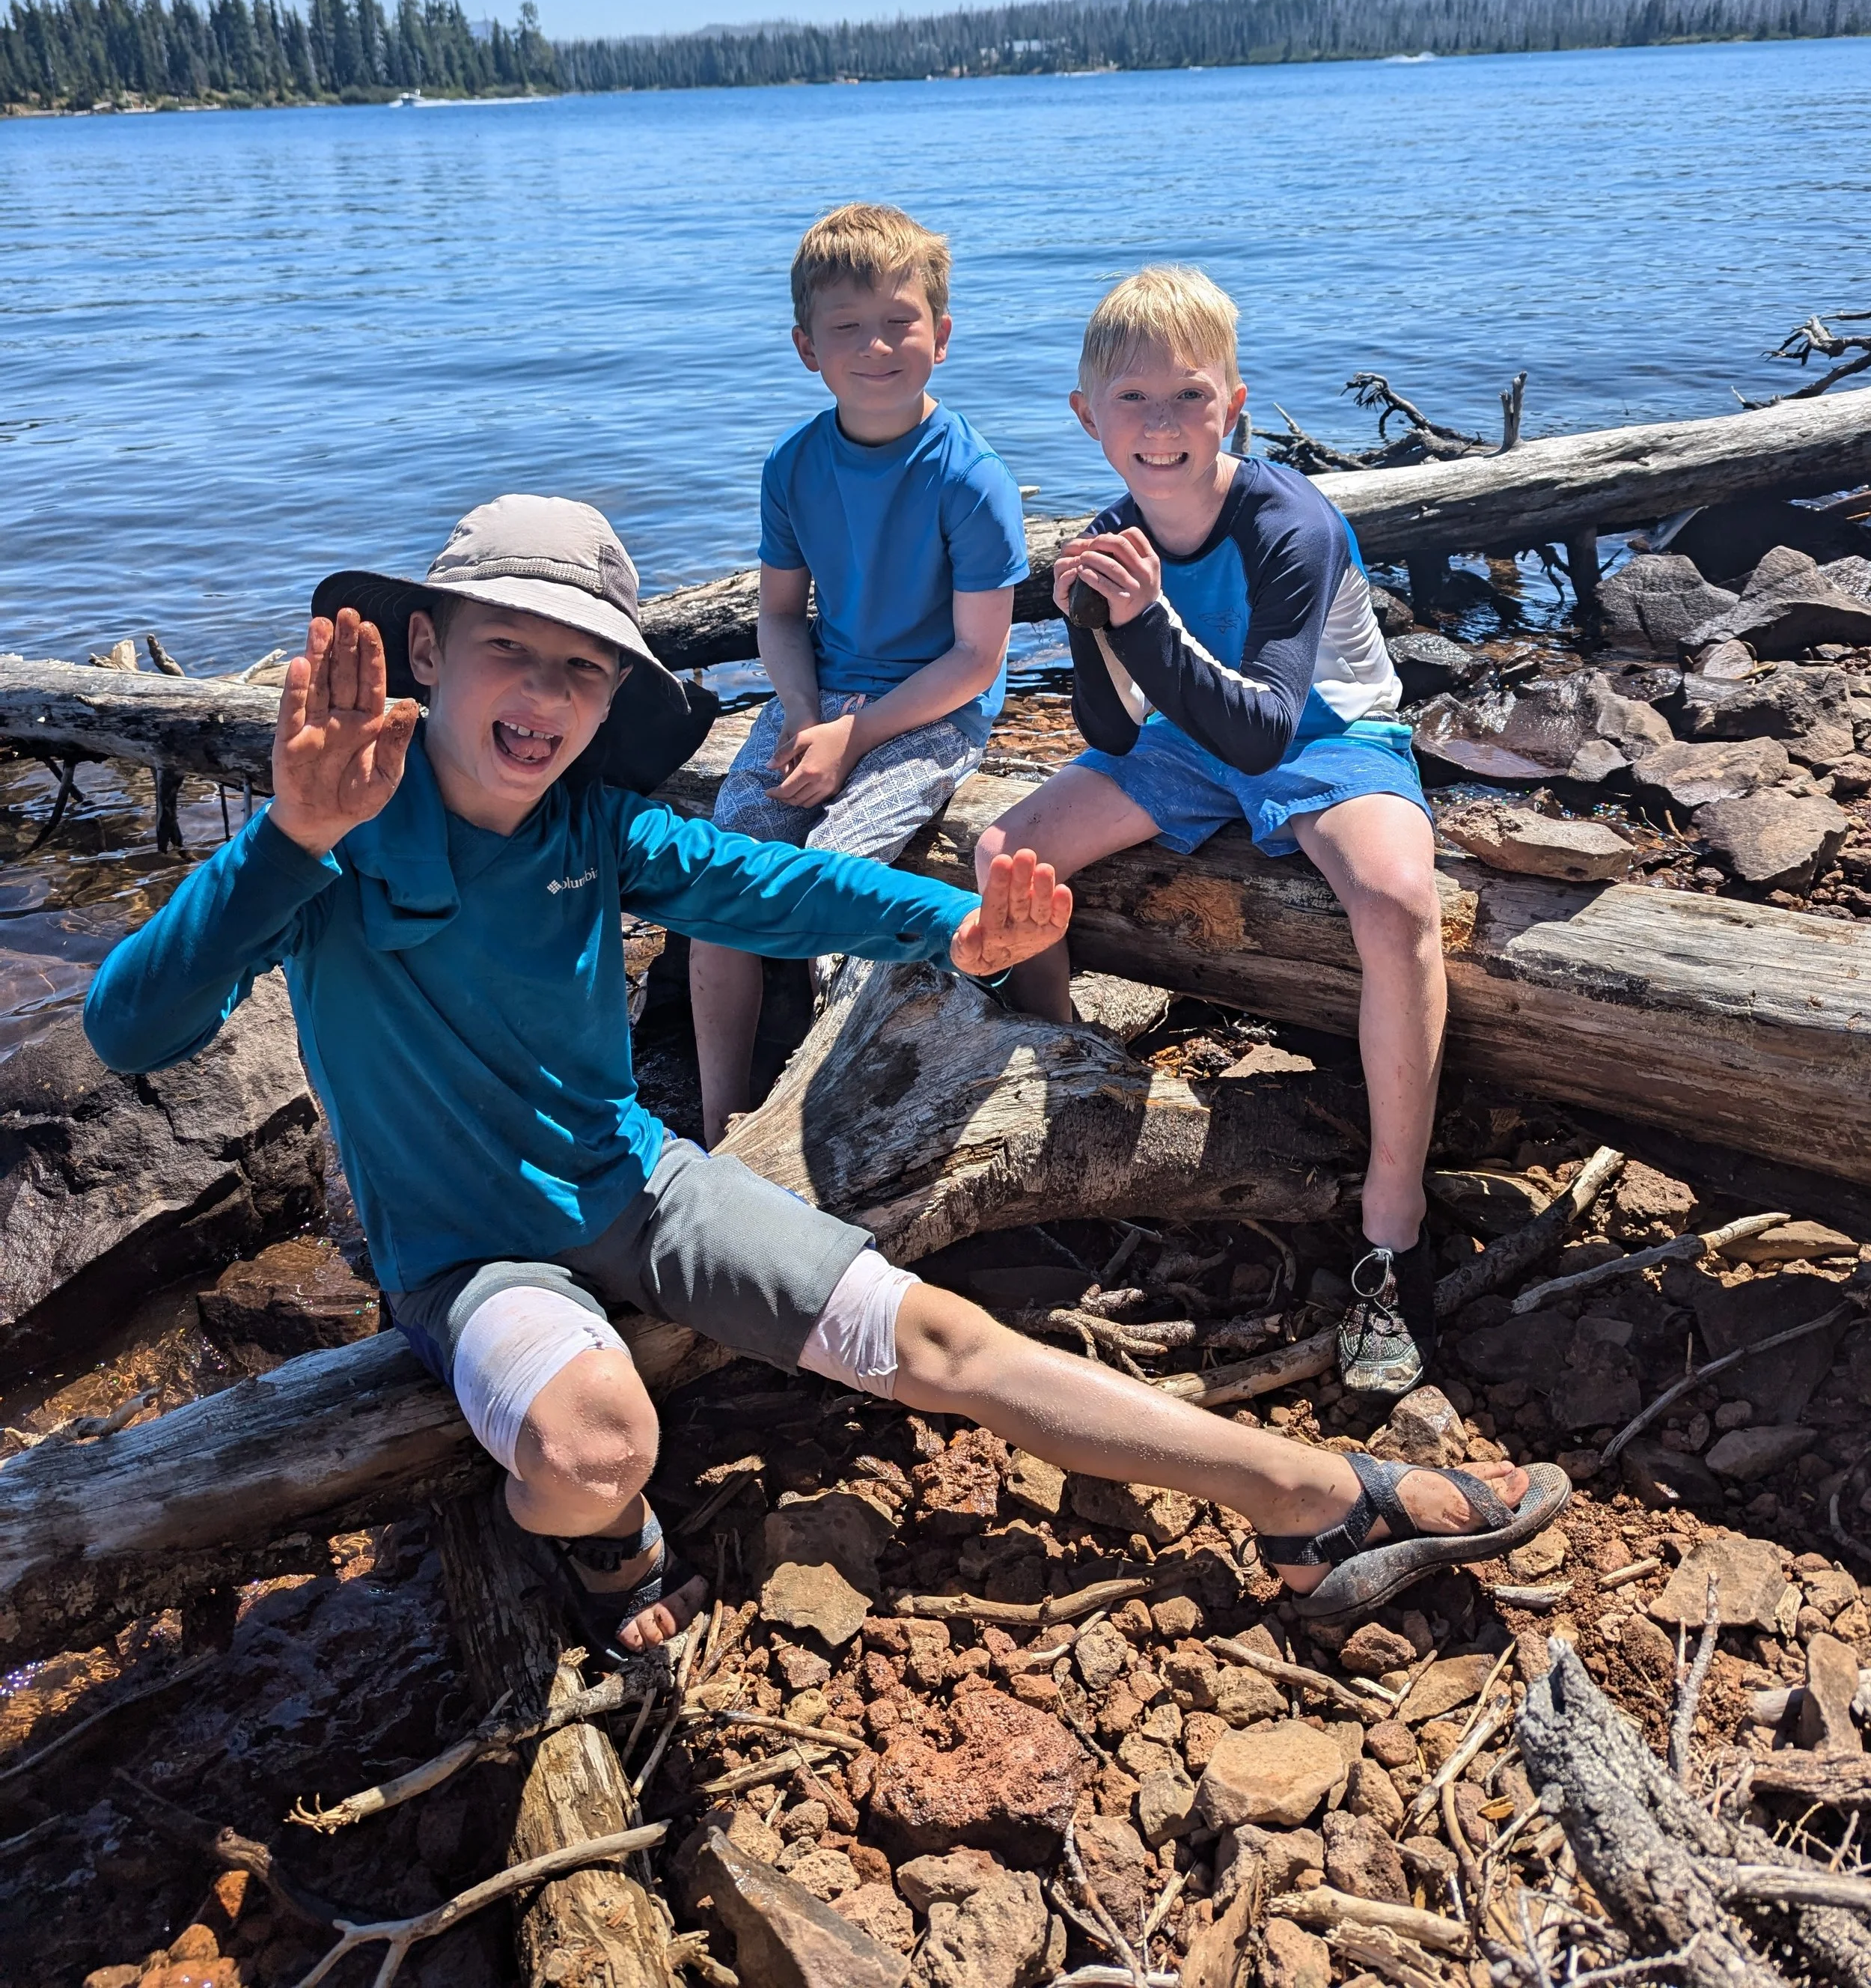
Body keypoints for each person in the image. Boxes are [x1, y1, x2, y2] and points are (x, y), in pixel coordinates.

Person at [85, 494, 1563, 1665]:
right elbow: (130, 1029)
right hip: (461, 1255)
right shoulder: (333, 827)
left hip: (635, 1188)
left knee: (944, 1341)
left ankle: (1307, 1502)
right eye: (508, 651)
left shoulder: (592, 829)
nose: (540, 695)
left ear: (608, 704)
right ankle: (589, 1543)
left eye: (580, 669)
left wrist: (961, 926)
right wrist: (283, 837)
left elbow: (773, 890)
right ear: (426, 653)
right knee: (598, 1447)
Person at [976, 267, 1447, 1397]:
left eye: (1188, 397)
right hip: (1192, 731)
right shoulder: (1108, 534)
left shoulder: (1291, 521)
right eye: (1131, 401)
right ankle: (1068, 1079)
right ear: (1088, 417)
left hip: (1328, 730)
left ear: (1232, 404)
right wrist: (1088, 626)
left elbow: (1267, 726)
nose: (1161, 426)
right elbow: (1103, 724)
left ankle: (1395, 1218)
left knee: (1393, 901)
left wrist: (1138, 620)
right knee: (1003, 856)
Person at [690, 203, 1028, 1147]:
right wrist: (804, 716)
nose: (876, 345)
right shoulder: (793, 466)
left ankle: (827, 1112)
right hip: (822, 693)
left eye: (899, 321)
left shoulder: (969, 477)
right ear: (807, 347)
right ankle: (723, 1109)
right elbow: (777, 615)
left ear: (942, 335)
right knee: (722, 869)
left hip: (933, 706)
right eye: (847, 327)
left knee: (835, 875)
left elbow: (978, 658)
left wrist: (859, 733)